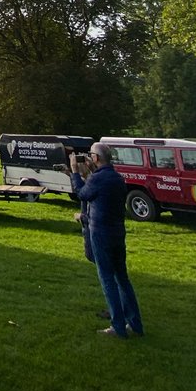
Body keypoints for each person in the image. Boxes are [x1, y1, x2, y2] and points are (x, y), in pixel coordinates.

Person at [71, 143, 144, 338]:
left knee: (107, 279)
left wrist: (75, 172)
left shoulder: (98, 179)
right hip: (117, 232)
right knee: (123, 278)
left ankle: (117, 326)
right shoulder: (117, 178)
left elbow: (81, 193)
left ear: (95, 158)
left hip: (101, 233)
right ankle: (135, 323)